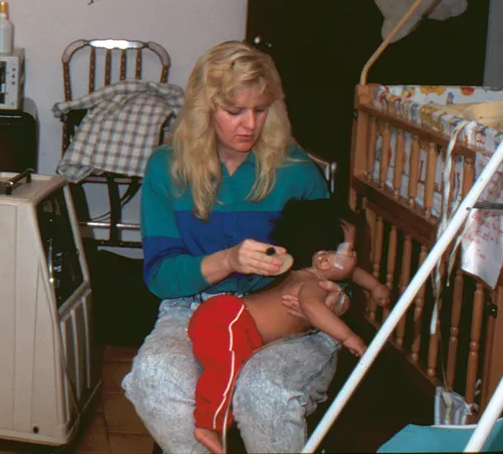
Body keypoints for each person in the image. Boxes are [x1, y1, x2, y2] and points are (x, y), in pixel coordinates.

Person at [121, 40, 349, 453]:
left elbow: (334, 261)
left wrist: (336, 297)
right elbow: (160, 276)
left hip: (281, 313)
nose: (250, 124)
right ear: (204, 109)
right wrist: (227, 260)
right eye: (234, 111)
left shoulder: (296, 170)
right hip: (192, 308)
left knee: (265, 392)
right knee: (155, 378)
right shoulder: (166, 167)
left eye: (260, 110)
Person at [189, 198, 391, 454]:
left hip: (230, 318)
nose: (355, 257)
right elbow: (313, 308)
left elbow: (351, 271)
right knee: (224, 371)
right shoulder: (313, 285)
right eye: (350, 251)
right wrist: (348, 336)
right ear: (323, 261)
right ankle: (209, 424)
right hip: (228, 320)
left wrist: (375, 287)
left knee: (230, 366)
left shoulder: (307, 274)